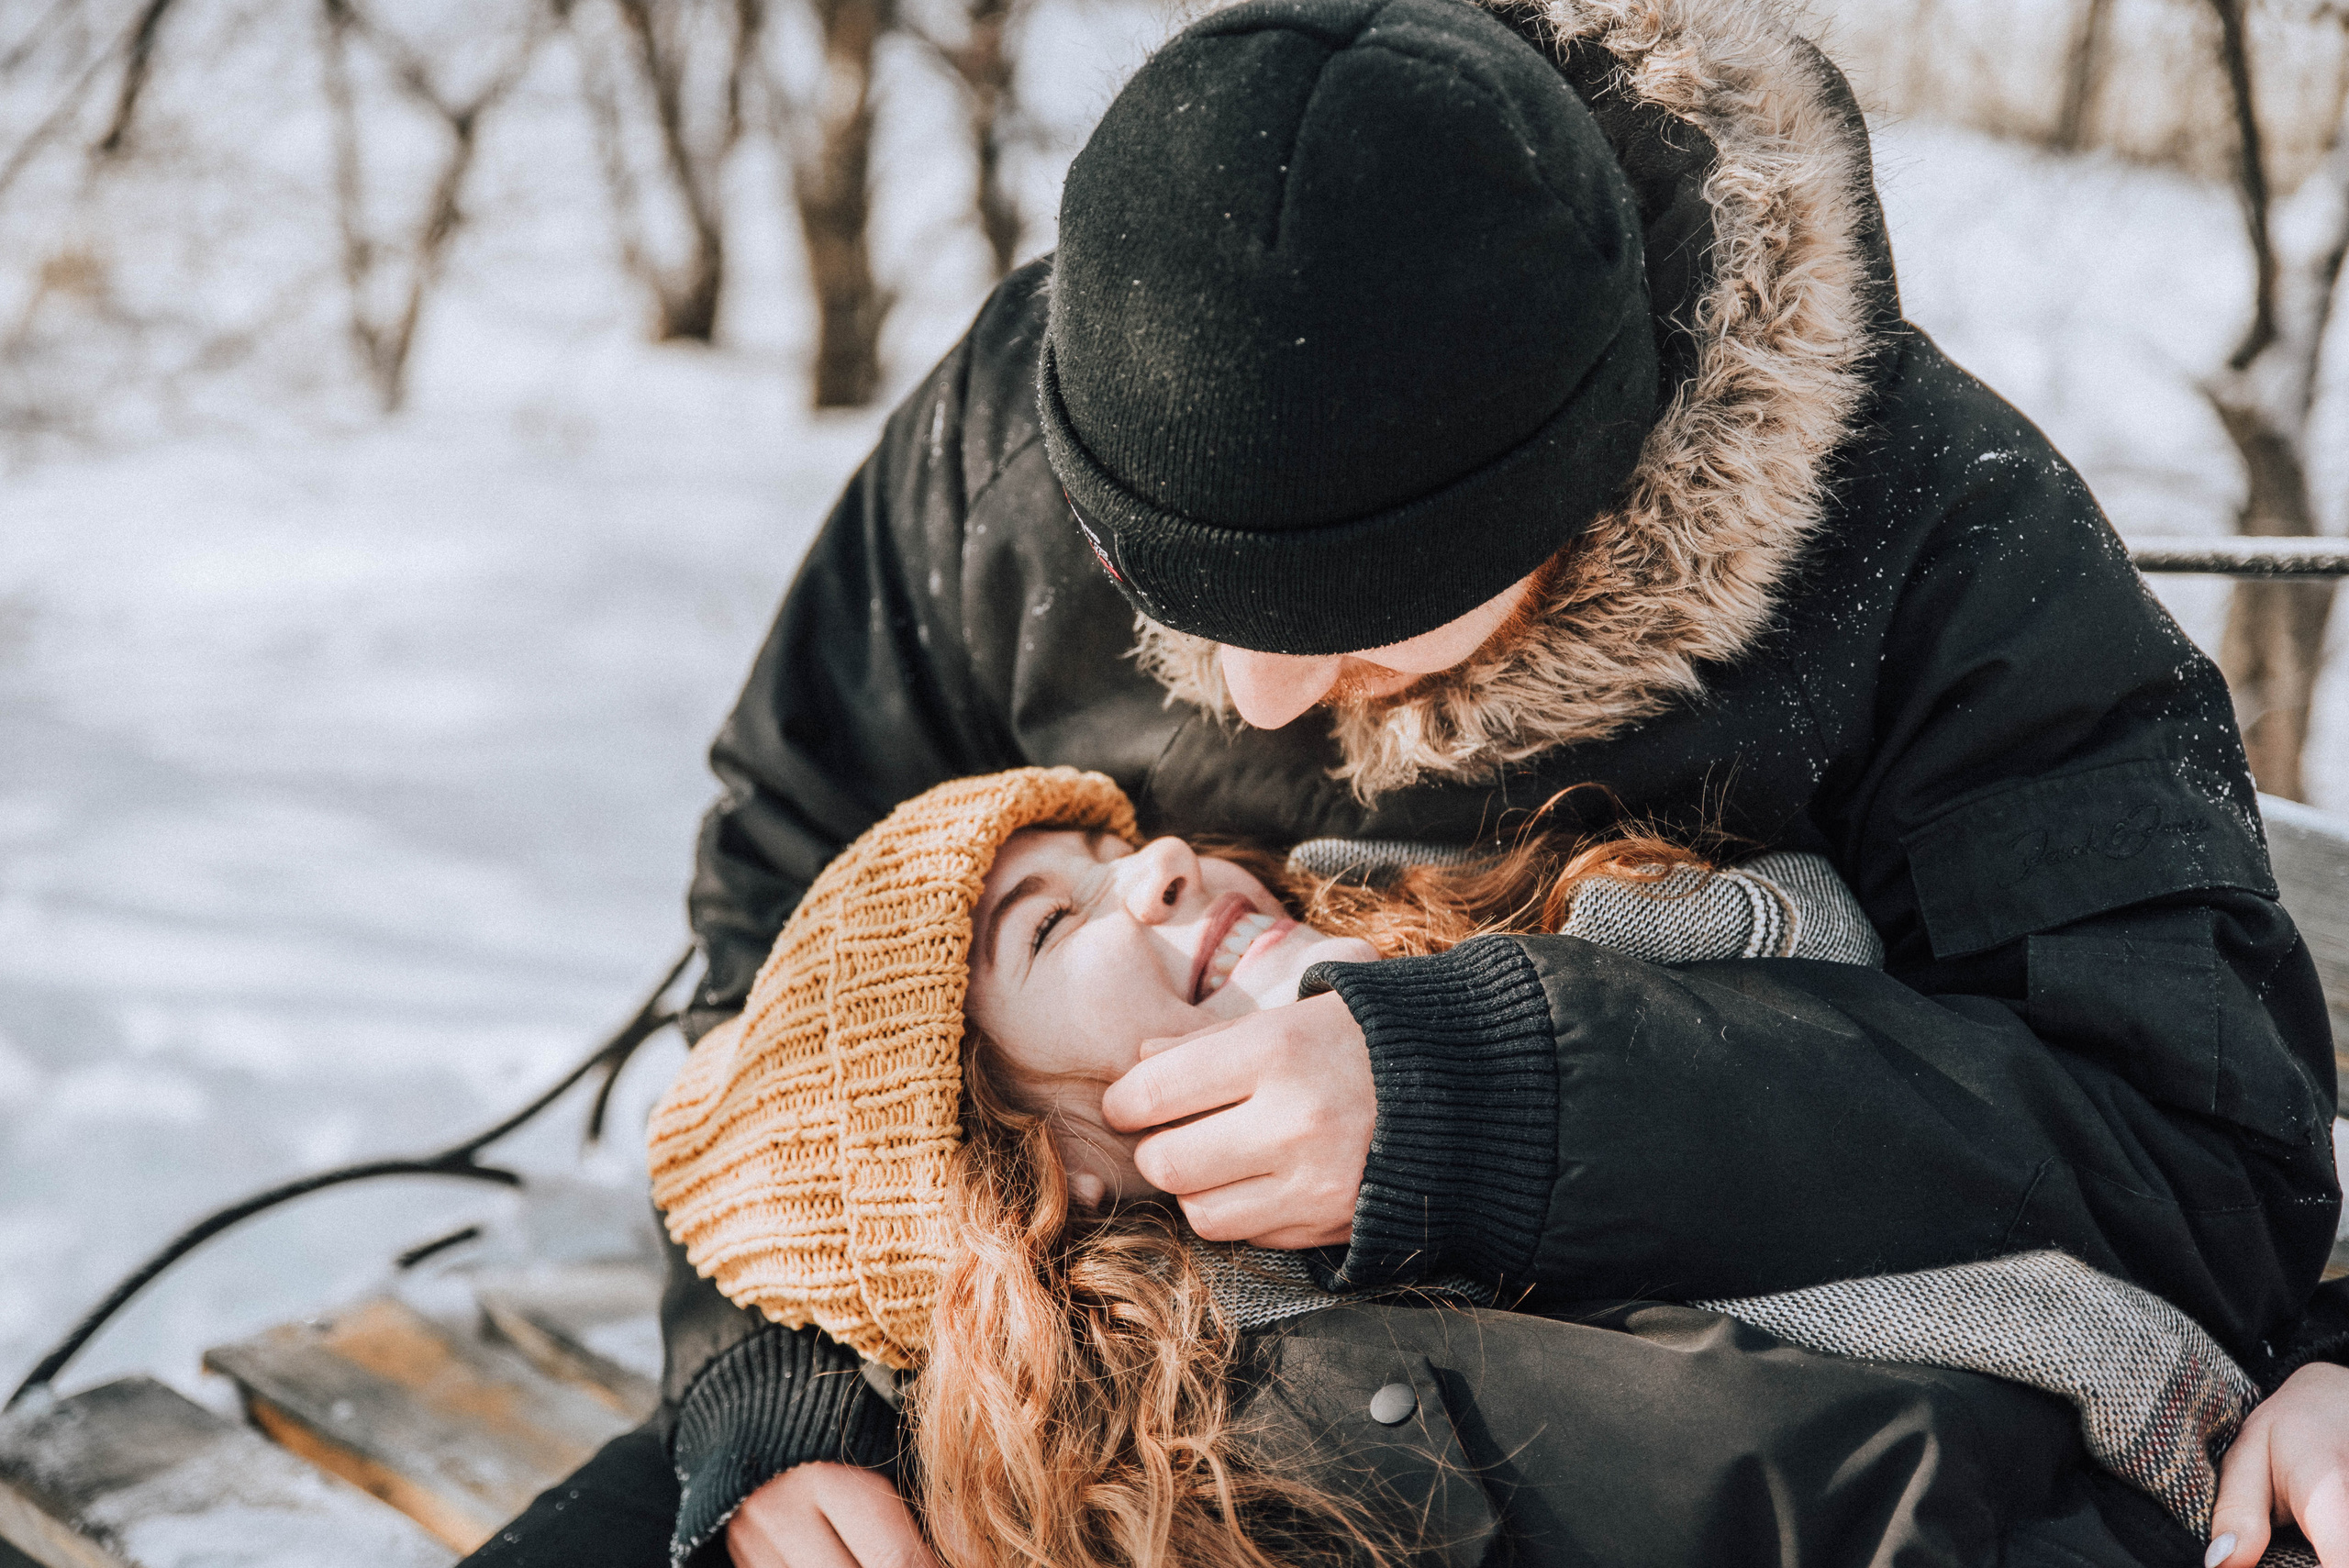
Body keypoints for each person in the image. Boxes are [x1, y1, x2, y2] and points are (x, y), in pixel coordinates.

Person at [465, 0, 2343, 1560]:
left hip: (1628, 1423)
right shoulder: (1053, 404)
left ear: (1589, 487)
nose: (1256, 689)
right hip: (1019, 1356)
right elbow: (787, 927)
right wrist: (772, 1376)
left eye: (1364, 620)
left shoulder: (1931, 549)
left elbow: (2194, 1157)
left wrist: (1502, 1109)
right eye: (1165, 590)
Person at [641, 767, 2297, 1568]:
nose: (1152, 858)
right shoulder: (1226, 1447)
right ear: (1023, 1166)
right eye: (1055, 922)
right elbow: (1873, 1486)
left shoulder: (1532, 930)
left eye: (1112, 838)